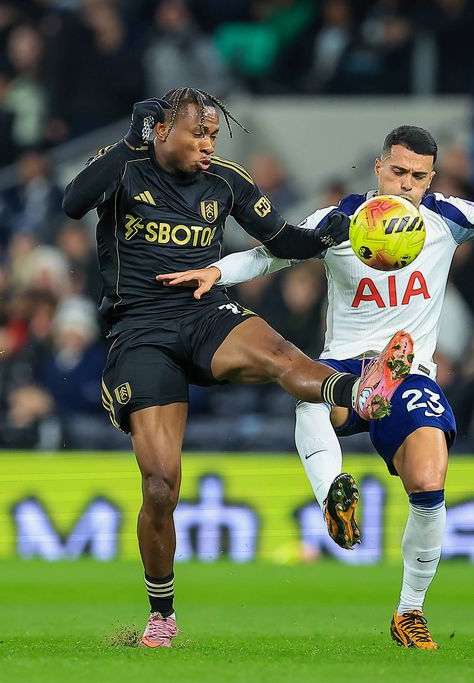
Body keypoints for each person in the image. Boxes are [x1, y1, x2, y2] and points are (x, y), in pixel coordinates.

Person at [160, 125, 474, 649]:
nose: (406, 184)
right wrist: (216, 270)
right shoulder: (340, 222)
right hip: (346, 364)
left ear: (431, 178)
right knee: (311, 396)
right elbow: (271, 253)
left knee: (429, 481)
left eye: (418, 176)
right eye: (398, 172)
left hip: (408, 373)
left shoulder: (445, 218)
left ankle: (408, 613)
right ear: (379, 168)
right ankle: (335, 500)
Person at [60, 88, 410, 648]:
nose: (206, 144)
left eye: (212, 136)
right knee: (160, 487)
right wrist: (129, 143)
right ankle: (162, 613)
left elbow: (282, 240)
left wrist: (337, 233)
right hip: (140, 330)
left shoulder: (226, 180)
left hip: (203, 311)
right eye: (196, 134)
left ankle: (360, 392)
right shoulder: (125, 167)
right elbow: (73, 203)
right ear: (162, 131)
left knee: (279, 356)